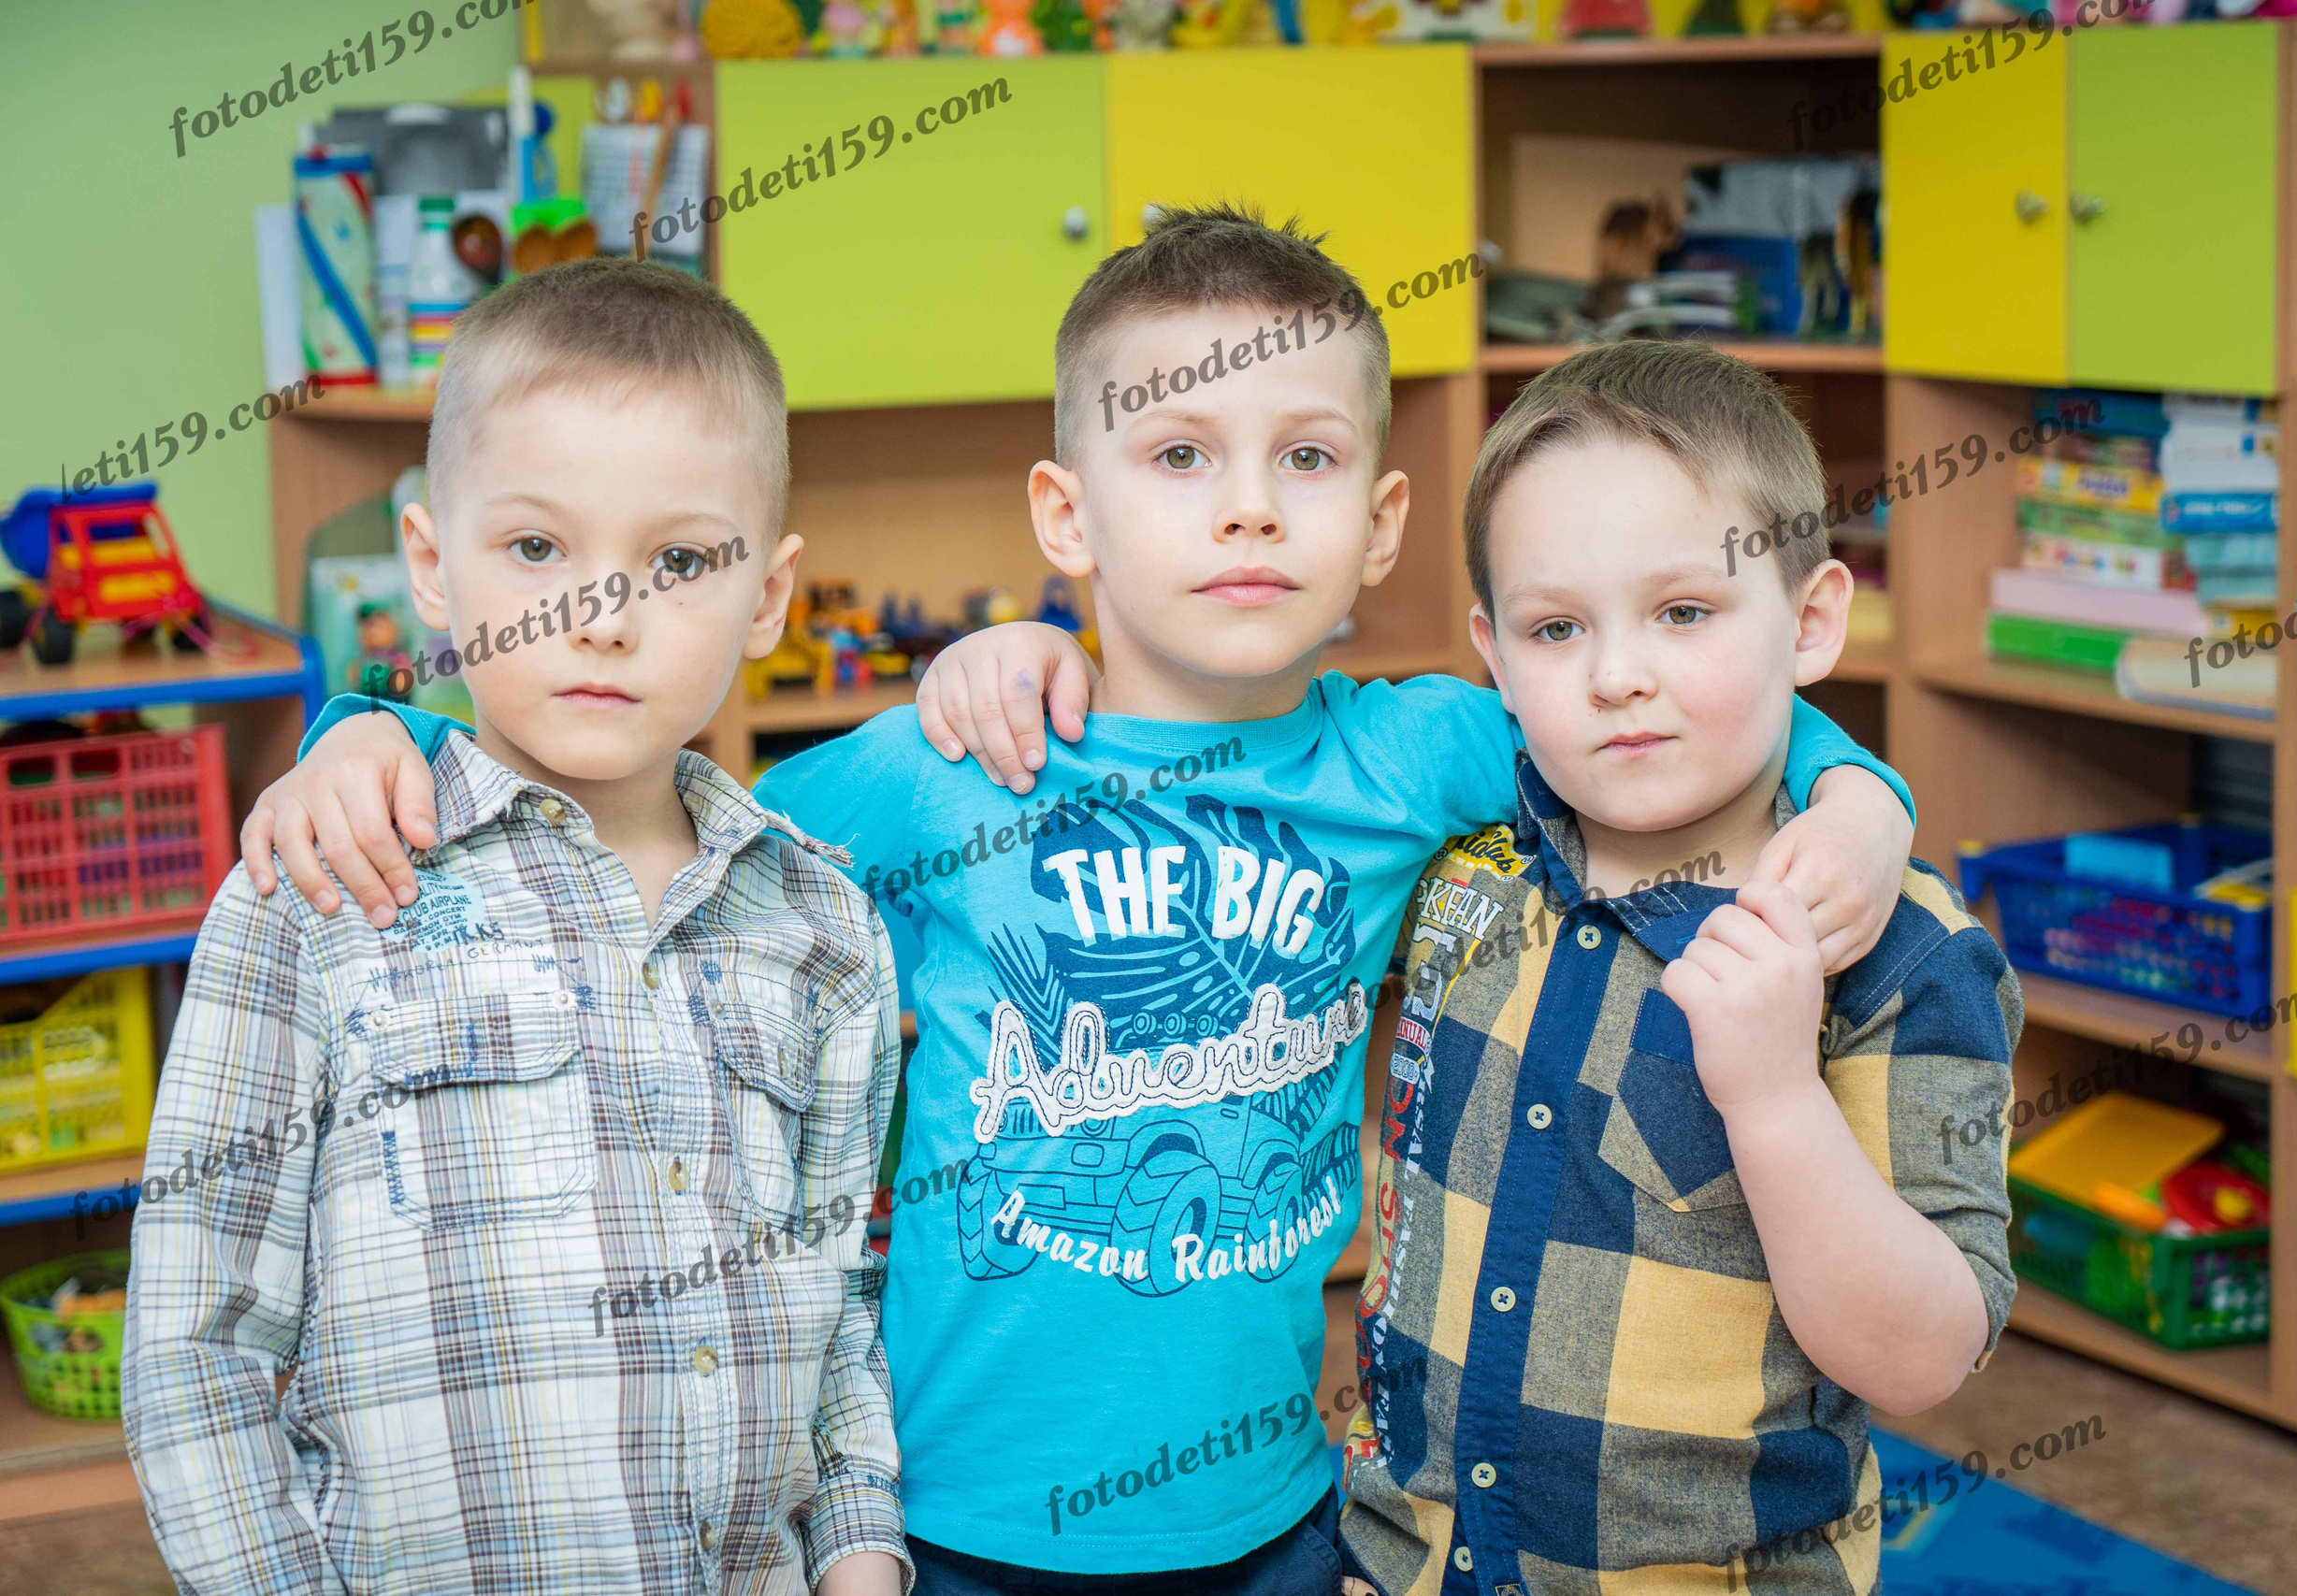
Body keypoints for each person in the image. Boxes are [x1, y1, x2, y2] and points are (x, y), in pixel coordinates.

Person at [233, 208, 1916, 1594]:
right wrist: (373, 723)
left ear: (1385, 524)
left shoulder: (1420, 754)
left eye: (1307, 457)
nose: (1249, 502)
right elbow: (637, 791)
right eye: (1178, 452)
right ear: (1067, 513)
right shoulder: (952, 760)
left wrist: (1862, 796)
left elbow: (1669, 703)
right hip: (946, 1520)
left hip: (1274, 1513)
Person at [123, 258, 909, 1596]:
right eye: (537, 547)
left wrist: (859, 1554)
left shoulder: (825, 929)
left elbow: (839, 1309)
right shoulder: (319, 884)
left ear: (770, 597)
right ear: (431, 565)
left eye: (676, 561)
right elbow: (198, 1348)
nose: (601, 619)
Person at [1336, 343, 2022, 1596]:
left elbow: (1927, 1357)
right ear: (1493, 653)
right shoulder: (1459, 860)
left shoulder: (1898, 949)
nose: (1615, 676)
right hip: (1404, 1564)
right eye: (1556, 628)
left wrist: (1772, 1096)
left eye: (1684, 612)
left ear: (1812, 621)